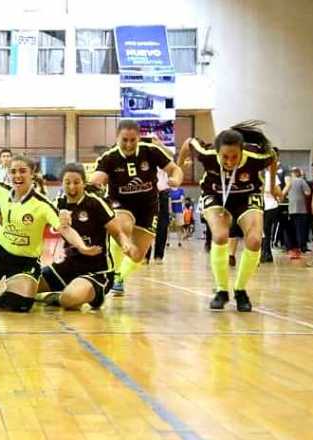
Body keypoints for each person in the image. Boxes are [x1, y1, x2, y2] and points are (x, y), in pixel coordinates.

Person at [0, 155, 99, 312]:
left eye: (22, 171)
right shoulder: (2, 189)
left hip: (25, 261)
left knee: (21, 305)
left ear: (32, 174)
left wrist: (82, 247)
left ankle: (0, 299)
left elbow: (65, 229)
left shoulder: (43, 204)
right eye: (13, 172)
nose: (17, 175)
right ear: (9, 174)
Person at [179, 123, 277, 312]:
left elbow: (273, 156)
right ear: (217, 152)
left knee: (255, 240)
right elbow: (188, 142)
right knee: (221, 235)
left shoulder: (256, 157)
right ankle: (221, 291)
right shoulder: (207, 154)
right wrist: (179, 165)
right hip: (215, 195)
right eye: (225, 157)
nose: (230, 162)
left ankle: (240, 290)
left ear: (242, 151)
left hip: (247, 195)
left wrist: (272, 186)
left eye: (235, 157)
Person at [91, 120, 183, 296]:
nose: (128, 144)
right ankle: (114, 271)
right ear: (117, 137)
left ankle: (119, 279)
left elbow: (175, 169)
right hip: (121, 204)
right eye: (124, 140)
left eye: (133, 140)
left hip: (148, 206)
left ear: (139, 138)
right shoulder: (109, 157)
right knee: (122, 227)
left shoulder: (151, 152)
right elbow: (98, 178)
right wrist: (94, 184)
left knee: (138, 256)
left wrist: (176, 180)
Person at [35, 163, 135, 310]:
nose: (72, 187)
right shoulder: (59, 204)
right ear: (61, 183)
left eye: (76, 182)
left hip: (97, 271)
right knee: (26, 287)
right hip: (67, 267)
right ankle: (51, 295)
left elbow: (118, 232)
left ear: (83, 182)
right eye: (67, 182)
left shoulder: (95, 203)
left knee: (70, 299)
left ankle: (64, 296)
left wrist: (125, 244)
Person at [282, 167, 312, 256]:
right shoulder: (301, 181)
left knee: (292, 229)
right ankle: (302, 247)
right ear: (299, 173)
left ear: (292, 173)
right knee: (301, 229)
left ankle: (292, 246)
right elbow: (308, 192)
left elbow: (284, 193)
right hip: (301, 209)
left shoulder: (289, 182)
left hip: (291, 209)